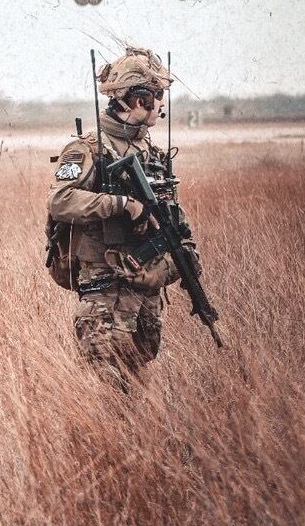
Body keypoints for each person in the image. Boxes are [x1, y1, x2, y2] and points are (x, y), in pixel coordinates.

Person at [47, 46, 200, 390]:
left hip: (144, 297)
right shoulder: (87, 149)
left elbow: (176, 222)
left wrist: (168, 267)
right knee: (110, 393)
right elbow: (61, 199)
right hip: (105, 295)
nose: (161, 105)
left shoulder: (151, 153)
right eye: (157, 96)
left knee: (136, 393)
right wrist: (122, 205)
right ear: (139, 99)